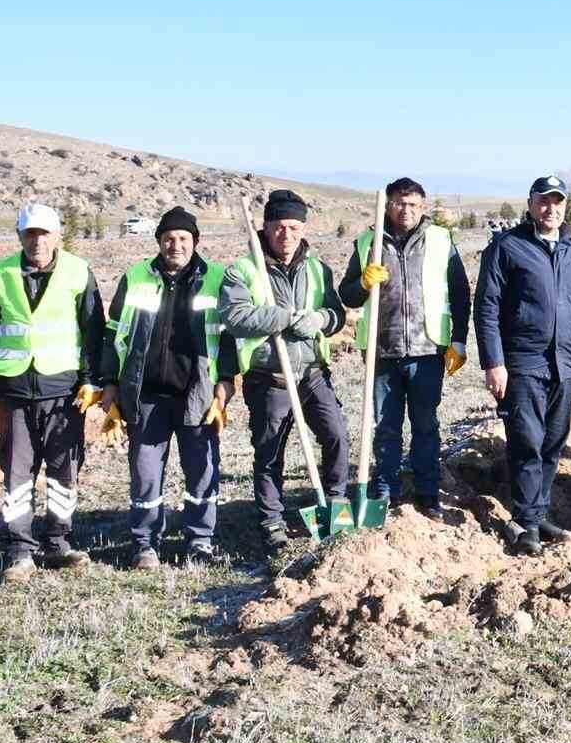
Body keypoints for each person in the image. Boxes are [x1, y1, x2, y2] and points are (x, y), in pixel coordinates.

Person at [99, 207, 237, 568]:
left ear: (195, 242)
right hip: (147, 396)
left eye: (183, 239)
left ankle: (200, 540)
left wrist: (225, 383)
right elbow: (114, 332)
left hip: (198, 395)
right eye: (169, 238)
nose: (175, 245)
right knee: (145, 473)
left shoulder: (217, 278)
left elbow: (229, 339)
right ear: (159, 241)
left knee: (201, 468)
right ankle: (145, 543)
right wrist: (110, 384)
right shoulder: (136, 277)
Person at [219, 189, 349, 553]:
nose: (286, 234)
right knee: (270, 450)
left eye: (293, 227)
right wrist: (287, 318)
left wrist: (321, 318)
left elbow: (336, 315)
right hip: (268, 377)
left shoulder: (317, 268)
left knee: (337, 435)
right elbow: (236, 316)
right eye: (279, 226)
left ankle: (336, 505)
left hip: (312, 372)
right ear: (265, 227)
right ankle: (272, 521)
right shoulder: (243, 269)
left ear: (303, 228)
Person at [337, 177, 471, 519]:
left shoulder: (441, 241)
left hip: (427, 350)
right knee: (386, 426)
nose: (405, 210)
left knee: (425, 424)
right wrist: (364, 282)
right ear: (389, 204)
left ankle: (428, 493)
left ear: (423, 208)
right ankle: (386, 491)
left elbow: (459, 293)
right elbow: (347, 295)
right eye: (399, 202)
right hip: (382, 353)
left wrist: (458, 339)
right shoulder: (369, 242)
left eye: (413, 204)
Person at [475, 176, 571, 554]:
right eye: (543, 201)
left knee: (553, 441)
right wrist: (494, 361)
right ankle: (525, 521)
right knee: (526, 440)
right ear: (530, 204)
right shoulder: (508, 248)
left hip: (565, 362)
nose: (551, 209)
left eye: (557, 202)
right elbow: (487, 308)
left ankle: (538, 512)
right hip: (523, 361)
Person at [0, 203, 106, 584]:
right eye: (30, 234)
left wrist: (92, 381)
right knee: (16, 473)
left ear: (57, 235)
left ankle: (58, 542)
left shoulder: (78, 271)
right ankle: (19, 550)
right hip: (13, 389)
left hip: (63, 392)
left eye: (44, 233)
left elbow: (94, 331)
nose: (37, 241)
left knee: (64, 471)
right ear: (20, 237)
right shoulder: (3, 272)